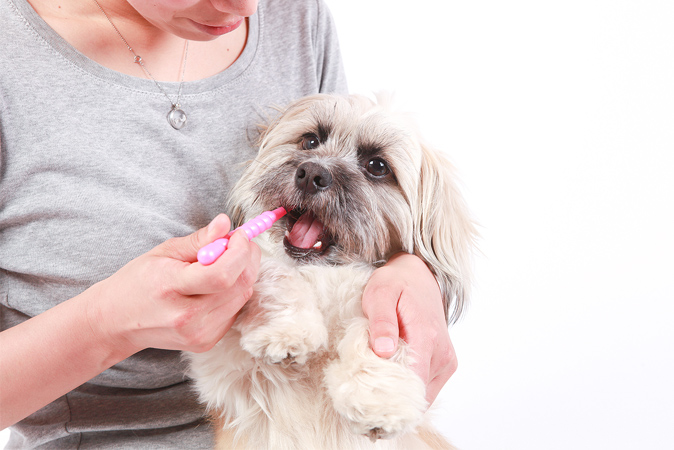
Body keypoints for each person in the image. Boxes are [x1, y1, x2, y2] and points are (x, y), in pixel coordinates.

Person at [0, 0, 457, 447]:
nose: (248, 7)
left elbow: (362, 235)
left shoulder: (298, 17)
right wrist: (107, 323)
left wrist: (416, 273)